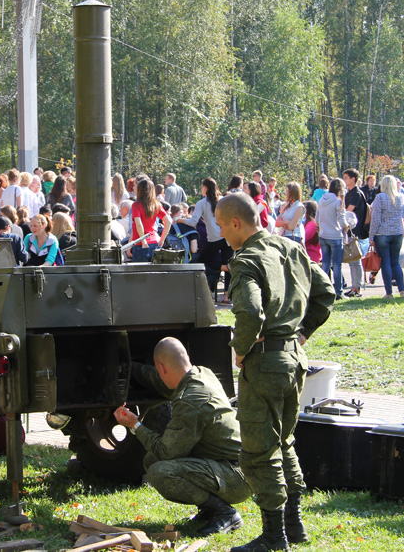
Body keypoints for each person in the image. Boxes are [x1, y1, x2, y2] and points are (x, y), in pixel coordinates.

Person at [214, 193, 334, 552]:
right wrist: (302, 332)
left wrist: (240, 349)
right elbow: (326, 292)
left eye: (222, 227)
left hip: (264, 363)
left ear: (236, 223)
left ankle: (273, 535)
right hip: (295, 360)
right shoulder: (291, 248)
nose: (222, 235)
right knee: (285, 441)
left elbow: (250, 313)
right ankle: (294, 525)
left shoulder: (246, 260)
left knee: (258, 450)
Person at [113, 337, 250, 536]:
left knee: (160, 470)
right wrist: (132, 368)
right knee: (152, 459)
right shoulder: (203, 374)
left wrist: (135, 425)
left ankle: (225, 513)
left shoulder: (189, 400)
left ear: (162, 367)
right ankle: (209, 508)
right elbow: (160, 380)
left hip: (237, 478)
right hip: (238, 466)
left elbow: (166, 452)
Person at [182, 178, 230, 301]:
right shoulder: (224, 200)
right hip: (228, 236)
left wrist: (180, 220)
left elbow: (193, 221)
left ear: (205, 188)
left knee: (201, 262)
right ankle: (226, 296)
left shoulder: (202, 203)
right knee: (228, 264)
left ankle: (216, 273)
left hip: (214, 237)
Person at [368, 175, 404, 298]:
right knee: (395, 262)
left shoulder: (380, 197)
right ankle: (402, 291)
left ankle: (389, 292)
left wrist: (371, 236)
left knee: (385, 262)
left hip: (383, 233)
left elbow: (376, 219)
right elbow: (402, 215)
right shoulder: (401, 197)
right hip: (396, 233)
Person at [315, 178, 346, 300]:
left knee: (326, 264)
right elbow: (342, 220)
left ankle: (324, 289)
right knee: (337, 265)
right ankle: (338, 291)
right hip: (335, 235)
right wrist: (347, 226)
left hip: (323, 234)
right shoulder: (338, 202)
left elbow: (317, 219)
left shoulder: (322, 199)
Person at [128, 177, 171, 263]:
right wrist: (162, 240)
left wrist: (143, 241)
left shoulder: (136, 205)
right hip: (155, 242)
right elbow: (168, 222)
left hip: (140, 244)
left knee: (140, 274)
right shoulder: (156, 204)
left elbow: (138, 224)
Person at [342, 169, 370, 298]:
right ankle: (354, 287)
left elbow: (347, 211)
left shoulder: (356, 194)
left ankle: (357, 288)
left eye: (346, 178)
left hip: (356, 232)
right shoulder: (350, 193)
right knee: (352, 261)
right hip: (351, 232)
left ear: (353, 179)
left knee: (356, 259)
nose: (345, 180)